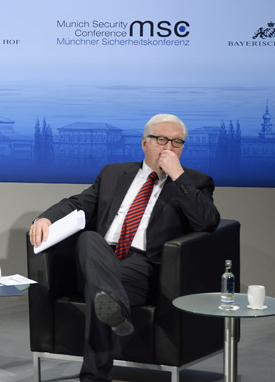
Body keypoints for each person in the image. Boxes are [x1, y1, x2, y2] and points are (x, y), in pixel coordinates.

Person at [28, 114, 220, 382]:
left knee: (100, 293)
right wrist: (46, 218)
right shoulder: (113, 173)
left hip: (142, 268)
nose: (168, 148)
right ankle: (115, 309)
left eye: (177, 142)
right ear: (144, 143)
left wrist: (178, 176)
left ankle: (95, 372)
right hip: (99, 256)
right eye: (161, 140)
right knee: (88, 240)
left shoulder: (196, 182)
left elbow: (208, 222)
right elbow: (78, 203)